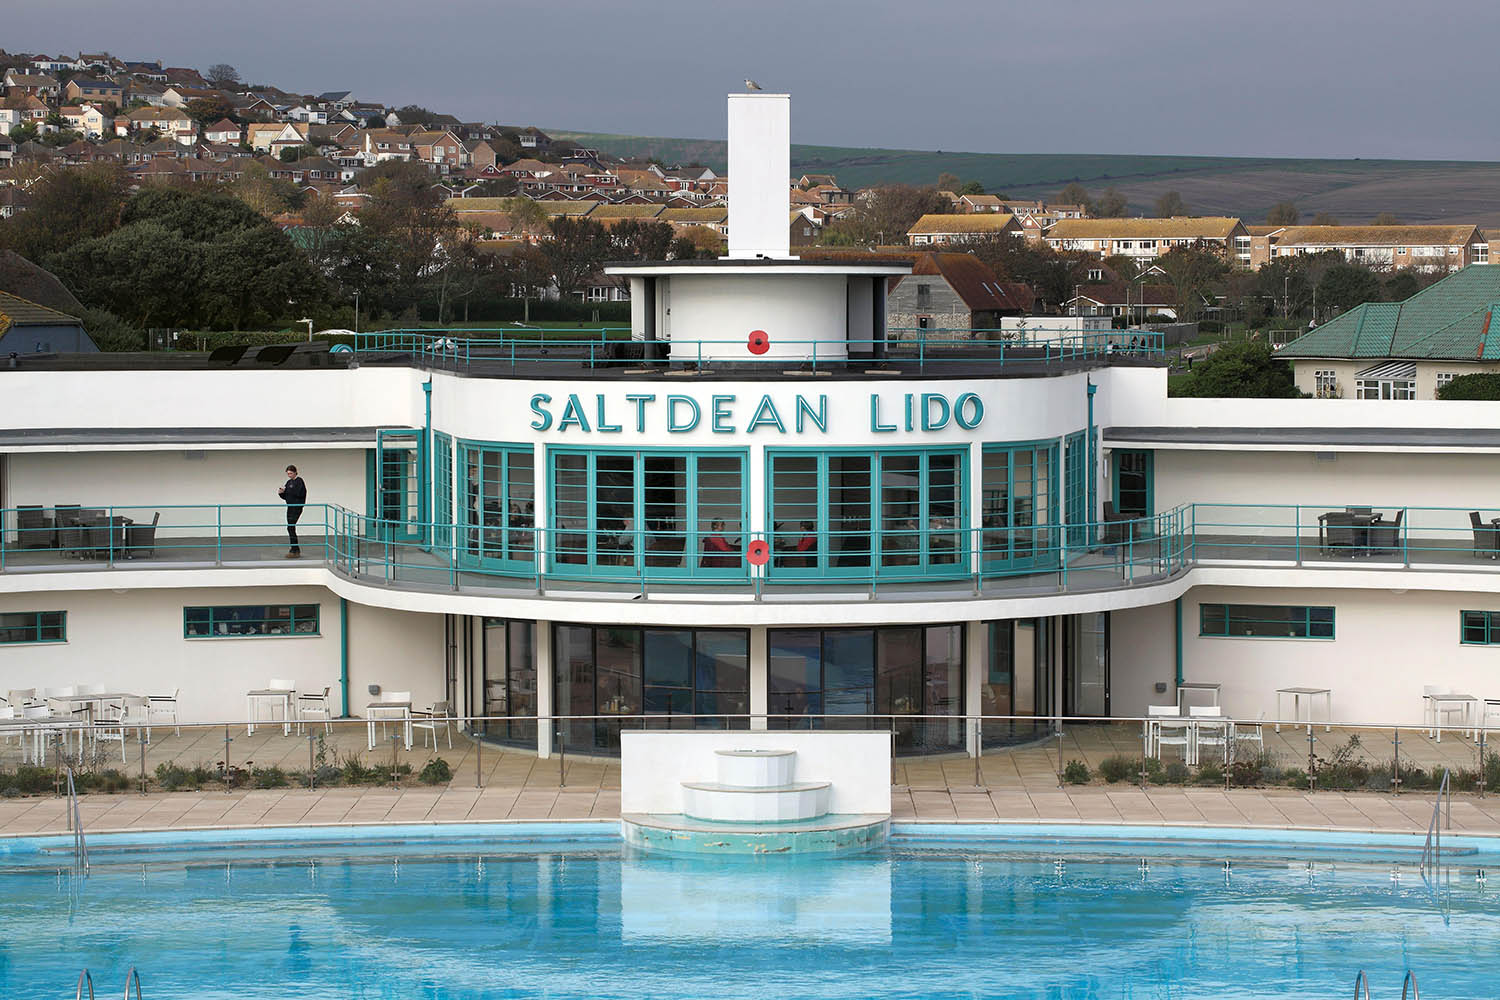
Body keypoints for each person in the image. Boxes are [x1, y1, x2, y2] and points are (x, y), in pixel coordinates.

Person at [278, 464, 307, 558]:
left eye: (290, 473)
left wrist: (288, 490)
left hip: (297, 507)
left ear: (295, 472)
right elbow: (286, 496)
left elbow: (299, 493)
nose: (289, 475)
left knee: (291, 527)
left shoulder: (299, 481)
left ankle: (295, 549)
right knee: (290, 527)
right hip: (290, 506)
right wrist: (281, 493)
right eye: (288, 474)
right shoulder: (289, 482)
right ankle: (294, 549)